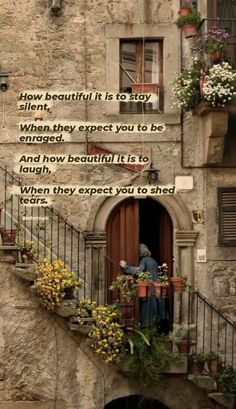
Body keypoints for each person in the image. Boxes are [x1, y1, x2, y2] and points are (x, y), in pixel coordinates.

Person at [119, 243, 169, 331]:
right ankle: (156, 334)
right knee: (155, 316)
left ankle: (148, 336)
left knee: (149, 317)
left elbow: (139, 271)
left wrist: (126, 267)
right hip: (156, 290)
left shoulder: (144, 260)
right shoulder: (153, 261)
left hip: (149, 291)